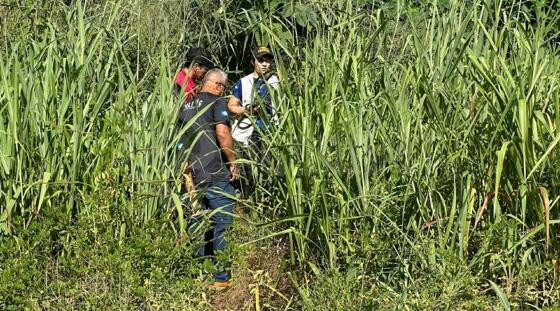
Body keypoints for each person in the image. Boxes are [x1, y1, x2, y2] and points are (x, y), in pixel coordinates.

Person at [176, 68, 239, 288]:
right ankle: (221, 278)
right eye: (225, 86)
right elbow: (222, 134)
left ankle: (197, 276)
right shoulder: (217, 103)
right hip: (215, 173)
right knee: (223, 224)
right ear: (219, 86)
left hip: (191, 177)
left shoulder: (184, 107)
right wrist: (233, 163)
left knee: (196, 224)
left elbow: (179, 143)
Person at [228, 46, 280, 147]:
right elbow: (231, 106)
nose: (264, 64)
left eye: (267, 61)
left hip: (270, 133)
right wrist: (247, 110)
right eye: (260, 60)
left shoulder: (276, 81)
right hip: (247, 133)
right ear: (253, 62)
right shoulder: (244, 82)